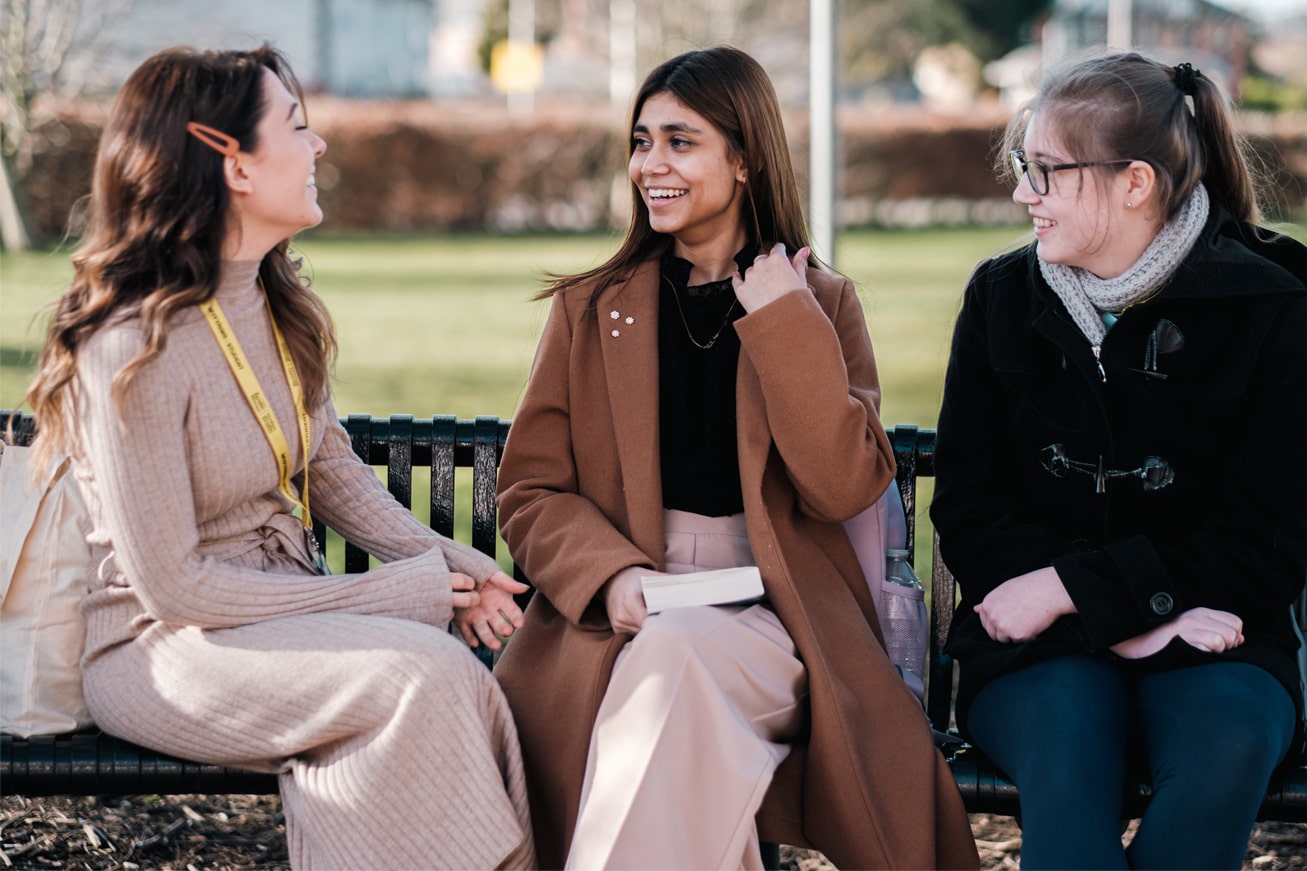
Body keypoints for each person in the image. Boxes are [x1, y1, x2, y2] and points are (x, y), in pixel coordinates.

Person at [24, 45, 535, 869]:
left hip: (279, 615)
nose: (320, 146)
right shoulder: (128, 346)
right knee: (420, 676)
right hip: (164, 647)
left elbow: (328, 464)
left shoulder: (271, 300)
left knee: (448, 676)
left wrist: (453, 562)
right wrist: (395, 592)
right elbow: (174, 585)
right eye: (296, 126)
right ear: (231, 163)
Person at [492, 45, 979, 870]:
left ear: (745, 157)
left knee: (675, 667)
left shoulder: (819, 302)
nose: (651, 164)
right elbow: (532, 489)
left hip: (776, 612)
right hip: (621, 601)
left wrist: (785, 323)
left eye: (679, 141)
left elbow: (842, 486)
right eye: (641, 141)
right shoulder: (591, 308)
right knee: (675, 718)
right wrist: (610, 577)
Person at [931, 50, 1307, 870]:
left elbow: (1265, 541)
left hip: (1222, 636)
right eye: (1021, 168)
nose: (1023, 194)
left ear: (1135, 181)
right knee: (1066, 756)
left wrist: (1085, 592)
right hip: (1033, 646)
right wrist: (1122, 621)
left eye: (1045, 171)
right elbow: (969, 507)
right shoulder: (1000, 297)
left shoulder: (1274, 303)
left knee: (1227, 744)